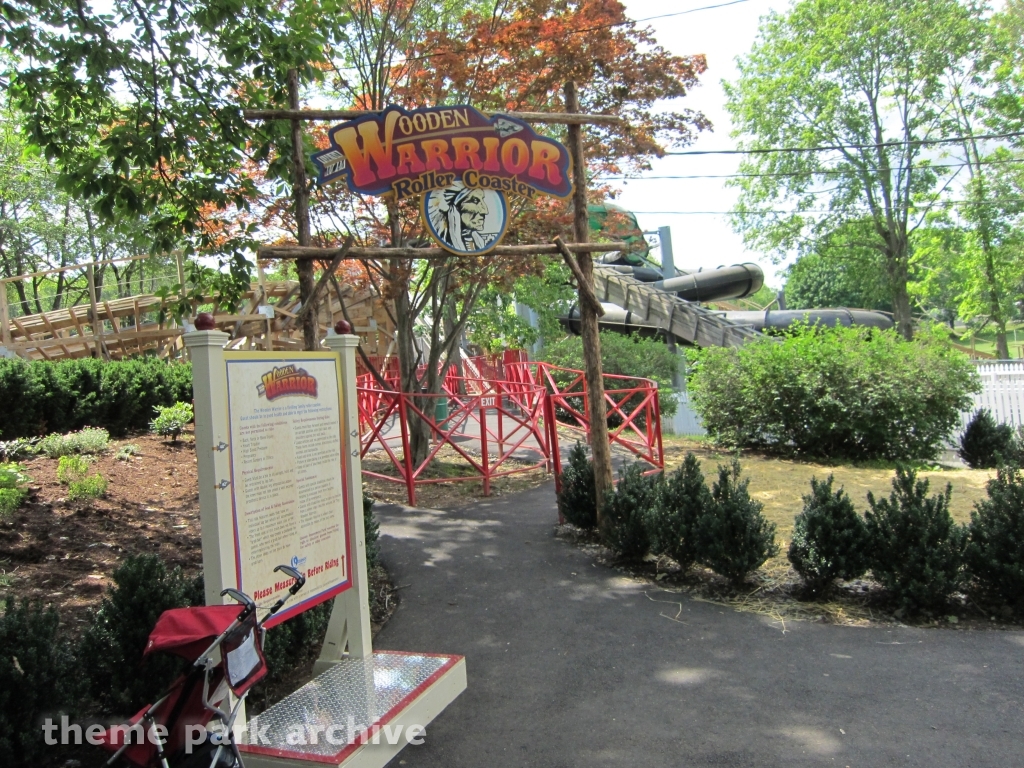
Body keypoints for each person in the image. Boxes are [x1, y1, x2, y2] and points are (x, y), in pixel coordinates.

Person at [427, 182, 501, 252]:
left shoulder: (480, 243)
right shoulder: (446, 241)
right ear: (456, 208)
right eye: (475, 201)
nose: (485, 211)